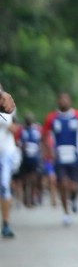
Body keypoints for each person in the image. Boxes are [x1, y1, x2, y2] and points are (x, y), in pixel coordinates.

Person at [43, 92, 78, 225]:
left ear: (70, 101)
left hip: (74, 155)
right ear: (58, 101)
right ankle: (66, 213)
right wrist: (49, 150)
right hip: (59, 156)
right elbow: (45, 136)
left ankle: (74, 199)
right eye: (61, 99)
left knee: (74, 186)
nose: (63, 101)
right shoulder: (52, 118)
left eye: (66, 99)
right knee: (62, 184)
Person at [16, 115, 44, 208]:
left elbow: (41, 142)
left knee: (33, 178)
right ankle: (25, 197)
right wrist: (21, 146)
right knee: (24, 179)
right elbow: (17, 140)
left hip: (34, 158)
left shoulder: (37, 130)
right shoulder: (22, 130)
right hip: (24, 157)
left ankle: (32, 198)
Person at [0, 85, 17, 238]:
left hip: (5, 152)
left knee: (4, 185)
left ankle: (6, 223)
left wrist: (2, 94)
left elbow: (15, 126)